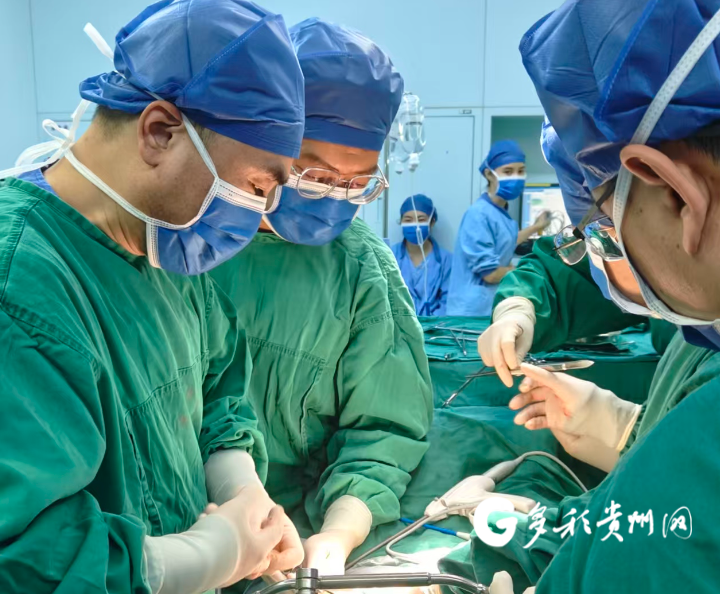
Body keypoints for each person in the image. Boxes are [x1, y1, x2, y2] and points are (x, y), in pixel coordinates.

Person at [0, 2, 307, 593]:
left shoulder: (165, 246)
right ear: (160, 132)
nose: (257, 218)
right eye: (255, 187)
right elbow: (23, 560)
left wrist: (242, 494)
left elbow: (218, 388)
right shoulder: (20, 288)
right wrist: (203, 555)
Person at [477, 0, 720, 591]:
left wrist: (628, 438)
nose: (600, 255)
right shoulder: (711, 329)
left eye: (603, 235)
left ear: (674, 193)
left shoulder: (718, 423)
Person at [211, 18, 433, 577]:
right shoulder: (192, 238)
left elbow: (384, 429)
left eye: (358, 183)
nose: (335, 197)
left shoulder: (361, 268)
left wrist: (339, 530)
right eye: (315, 174)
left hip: (294, 536)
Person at [446, 141, 550, 316]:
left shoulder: (499, 212)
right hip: (471, 312)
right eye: (508, 172)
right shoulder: (478, 215)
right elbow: (491, 274)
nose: (516, 177)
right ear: (489, 174)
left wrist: (536, 227)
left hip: (487, 305)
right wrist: (530, 272)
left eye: (521, 171)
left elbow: (505, 241)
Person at [391, 194, 453, 316]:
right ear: (401, 222)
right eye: (408, 220)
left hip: (436, 324)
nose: (415, 225)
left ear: (432, 222)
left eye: (421, 220)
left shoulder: (446, 260)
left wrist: (432, 323)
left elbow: (448, 301)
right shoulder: (390, 255)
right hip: (398, 323)